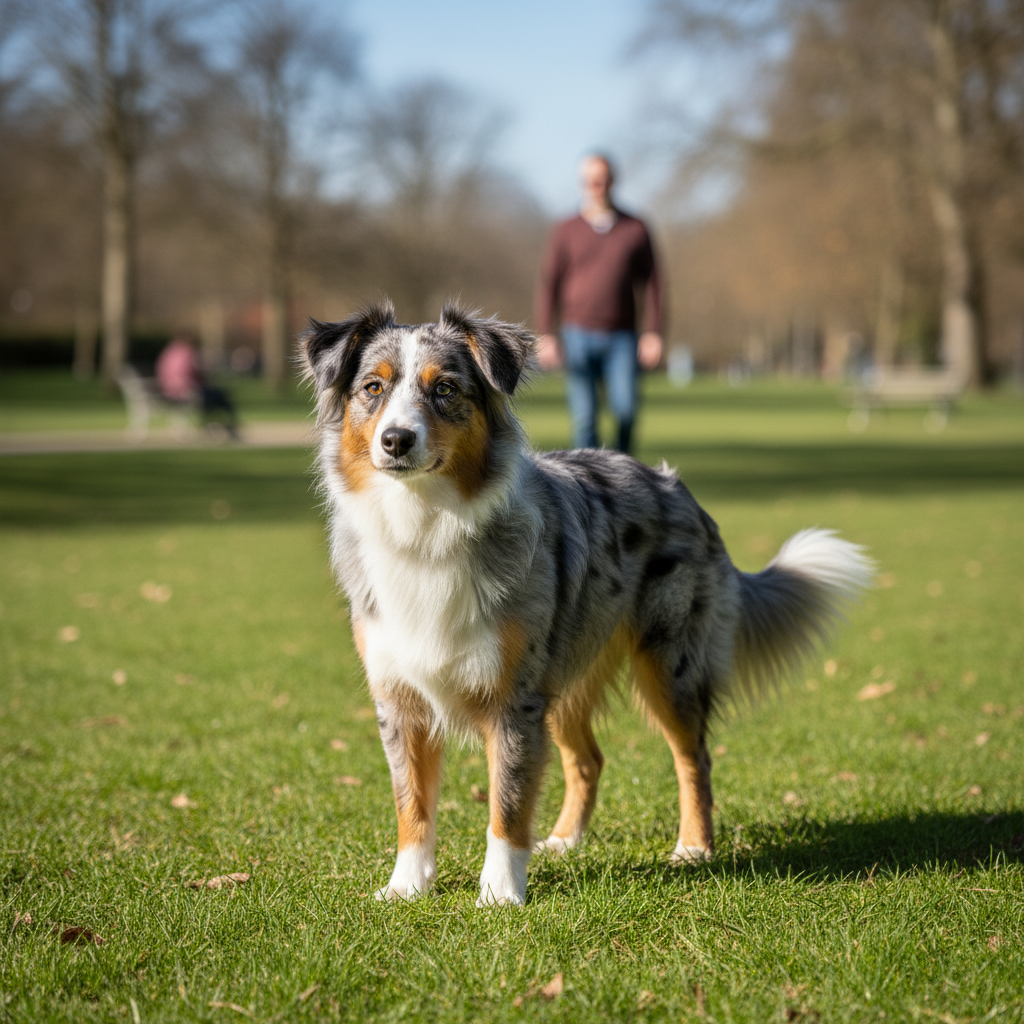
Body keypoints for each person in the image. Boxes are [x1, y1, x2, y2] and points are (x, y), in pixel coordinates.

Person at [534, 153, 664, 453]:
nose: (596, 186)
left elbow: (655, 284)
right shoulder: (565, 229)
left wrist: (653, 332)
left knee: (626, 410)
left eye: (602, 180)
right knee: (585, 419)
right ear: (583, 184)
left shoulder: (636, 228)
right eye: (590, 181)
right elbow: (548, 284)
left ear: (613, 181)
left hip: (622, 337)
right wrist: (546, 334)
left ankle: (623, 479)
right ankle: (589, 487)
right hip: (577, 334)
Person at [156, 335, 239, 438]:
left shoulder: (168, 353)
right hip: (185, 392)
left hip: (168, 392)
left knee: (211, 397)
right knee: (220, 398)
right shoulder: (186, 354)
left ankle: (212, 426)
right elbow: (197, 373)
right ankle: (227, 426)